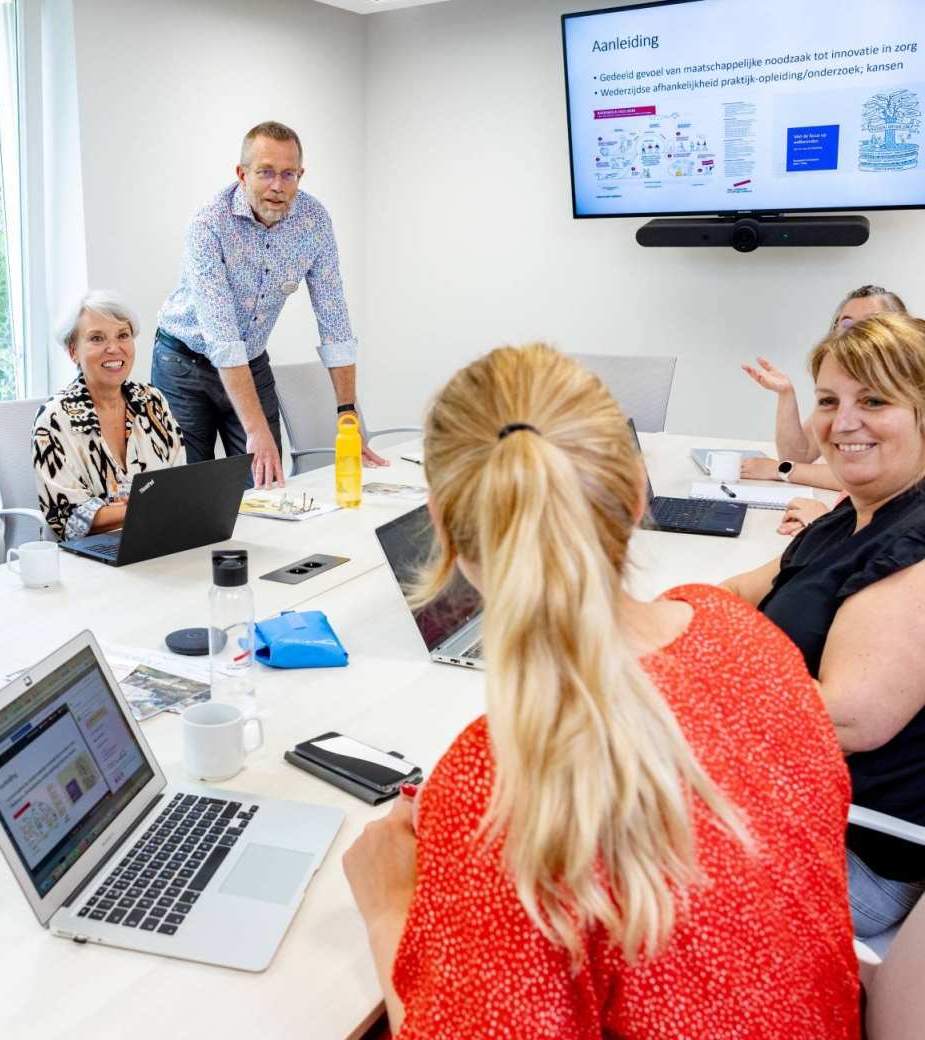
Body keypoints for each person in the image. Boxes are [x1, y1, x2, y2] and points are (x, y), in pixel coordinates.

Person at [343, 344, 859, 1039]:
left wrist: (386, 904)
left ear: (439, 525)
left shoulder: (505, 787)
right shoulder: (740, 630)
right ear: (639, 495)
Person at [723, 312, 925, 940]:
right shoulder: (856, 514)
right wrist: (631, 627)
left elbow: (847, 718)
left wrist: (682, 693)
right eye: (829, 401)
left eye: (874, 401)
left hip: (854, 852)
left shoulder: (914, 543)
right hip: (793, 800)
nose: (843, 423)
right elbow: (736, 591)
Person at [153, 119, 387, 488]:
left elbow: (335, 321)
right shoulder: (208, 223)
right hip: (185, 364)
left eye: (288, 174)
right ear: (241, 174)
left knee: (266, 486)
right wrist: (256, 431)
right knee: (188, 495)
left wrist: (347, 418)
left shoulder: (313, 222)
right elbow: (222, 339)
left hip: (251, 358)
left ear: (300, 175)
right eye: (265, 173)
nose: (278, 186)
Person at [33, 291, 185, 540]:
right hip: (93, 553)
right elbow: (69, 518)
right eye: (96, 338)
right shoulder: (54, 419)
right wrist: (148, 506)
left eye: (123, 336)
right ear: (73, 351)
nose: (114, 348)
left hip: (159, 539)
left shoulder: (152, 401)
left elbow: (179, 483)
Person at [741, 284, 907, 495]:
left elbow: (878, 474)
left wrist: (780, 470)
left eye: (871, 323)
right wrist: (785, 394)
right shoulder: (842, 388)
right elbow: (799, 455)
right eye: (847, 324)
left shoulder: (910, 391)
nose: (857, 334)